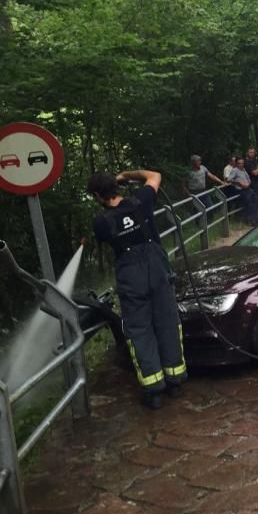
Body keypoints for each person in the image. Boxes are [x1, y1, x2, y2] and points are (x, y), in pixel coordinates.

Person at [87, 170, 186, 409]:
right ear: (117, 187)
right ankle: (175, 381)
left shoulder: (101, 222)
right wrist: (125, 175)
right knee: (167, 323)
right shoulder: (141, 200)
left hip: (132, 278)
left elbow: (105, 238)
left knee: (140, 330)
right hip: (158, 271)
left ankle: (153, 390)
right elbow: (155, 175)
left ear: (99, 195)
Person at [228, 161, 258, 226]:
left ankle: (256, 218)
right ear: (237, 164)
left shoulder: (243, 170)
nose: (241, 165)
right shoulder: (235, 170)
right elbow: (229, 179)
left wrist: (248, 183)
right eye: (239, 163)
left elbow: (248, 178)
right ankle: (251, 221)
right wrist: (238, 182)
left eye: (242, 163)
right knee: (249, 204)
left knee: (257, 201)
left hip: (248, 188)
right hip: (242, 190)